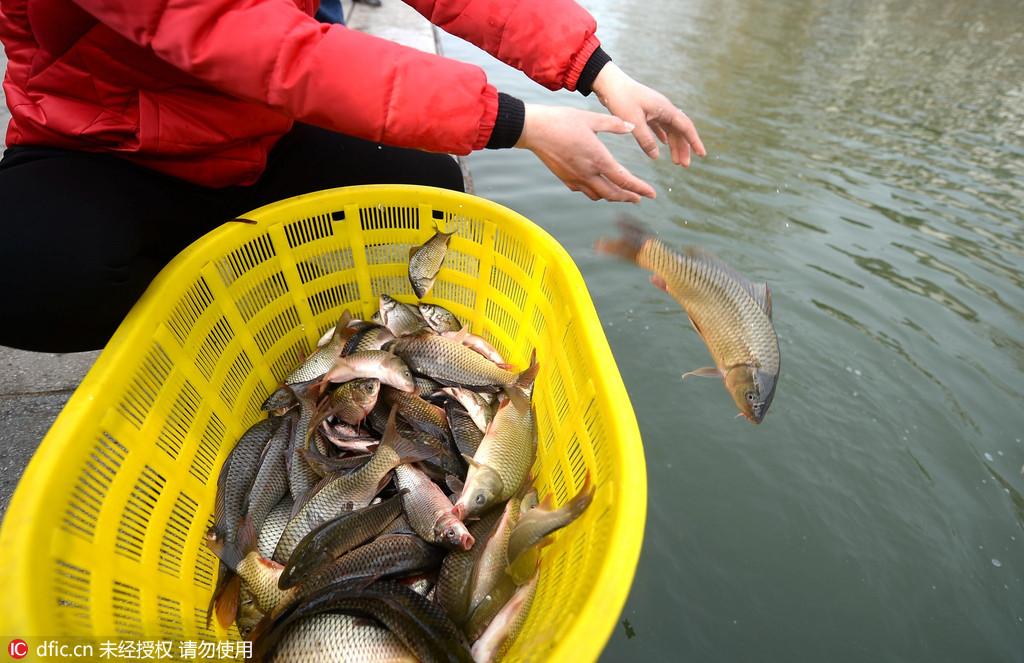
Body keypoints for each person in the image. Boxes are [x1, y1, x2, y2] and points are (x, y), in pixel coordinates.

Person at [0, 0, 705, 353]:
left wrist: (598, 71)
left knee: (427, 197)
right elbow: (273, 49)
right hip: (103, 147)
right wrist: (519, 124)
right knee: (35, 278)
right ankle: (208, 311)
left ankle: (265, 300)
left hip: (256, 131)